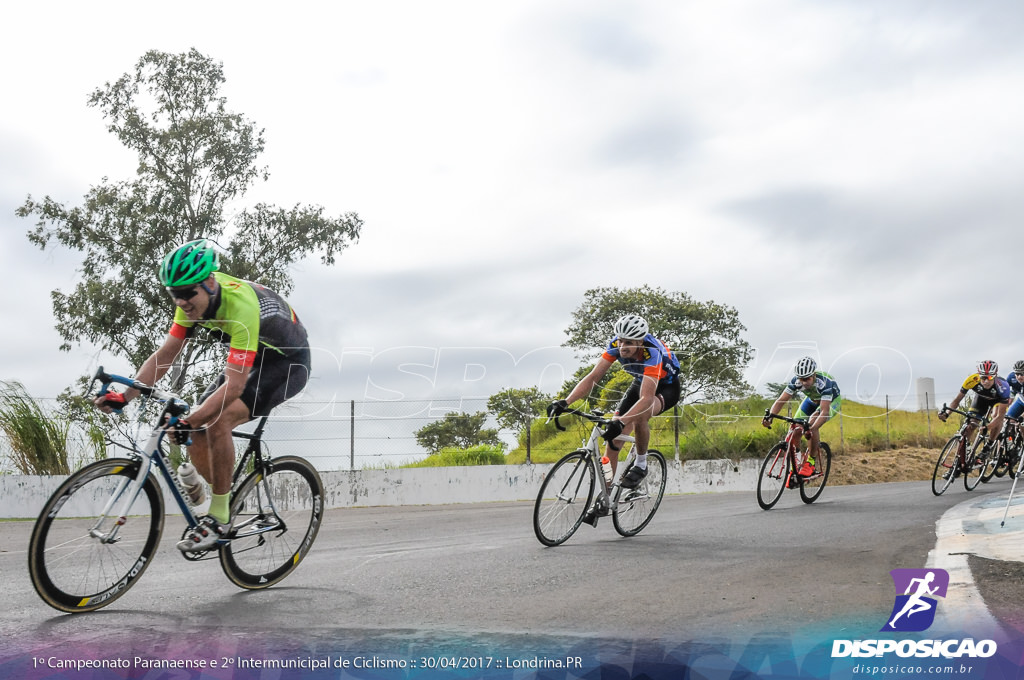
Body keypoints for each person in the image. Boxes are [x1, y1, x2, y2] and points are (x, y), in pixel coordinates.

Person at [94, 239, 311, 552]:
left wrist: (189, 421)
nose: (181, 302)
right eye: (174, 294)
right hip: (252, 360)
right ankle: (222, 499)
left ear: (209, 282)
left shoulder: (240, 307)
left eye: (186, 293)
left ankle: (220, 518)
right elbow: (165, 355)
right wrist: (124, 397)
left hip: (287, 363)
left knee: (216, 418)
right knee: (195, 424)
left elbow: (234, 387)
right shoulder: (192, 302)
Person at [547, 314, 681, 489]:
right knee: (613, 444)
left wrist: (622, 421)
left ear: (640, 342)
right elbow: (593, 377)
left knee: (641, 414)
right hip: (641, 381)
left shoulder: (652, 352)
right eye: (621, 341)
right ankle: (605, 495)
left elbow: (647, 398)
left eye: (628, 343)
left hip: (666, 387)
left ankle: (641, 464)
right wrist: (566, 401)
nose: (623, 347)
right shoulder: (615, 345)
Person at [762, 356, 841, 478]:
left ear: (814, 375)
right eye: (801, 379)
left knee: (813, 425)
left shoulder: (825, 384)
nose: (803, 382)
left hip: (831, 403)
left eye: (807, 379)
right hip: (811, 400)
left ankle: (811, 462)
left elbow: (824, 412)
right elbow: (781, 400)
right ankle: (797, 459)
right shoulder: (796, 382)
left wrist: (811, 428)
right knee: (795, 428)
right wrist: (770, 417)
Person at [937, 360, 1009, 446]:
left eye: (990, 378)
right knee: (971, 424)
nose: (986, 381)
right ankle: (965, 449)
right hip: (980, 400)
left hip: (997, 401)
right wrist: (947, 414)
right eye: (983, 378)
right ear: (979, 376)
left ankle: (988, 446)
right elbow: (957, 400)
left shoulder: (1003, 387)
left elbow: (1000, 416)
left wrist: (987, 428)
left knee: (996, 418)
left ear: (995, 376)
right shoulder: (972, 380)